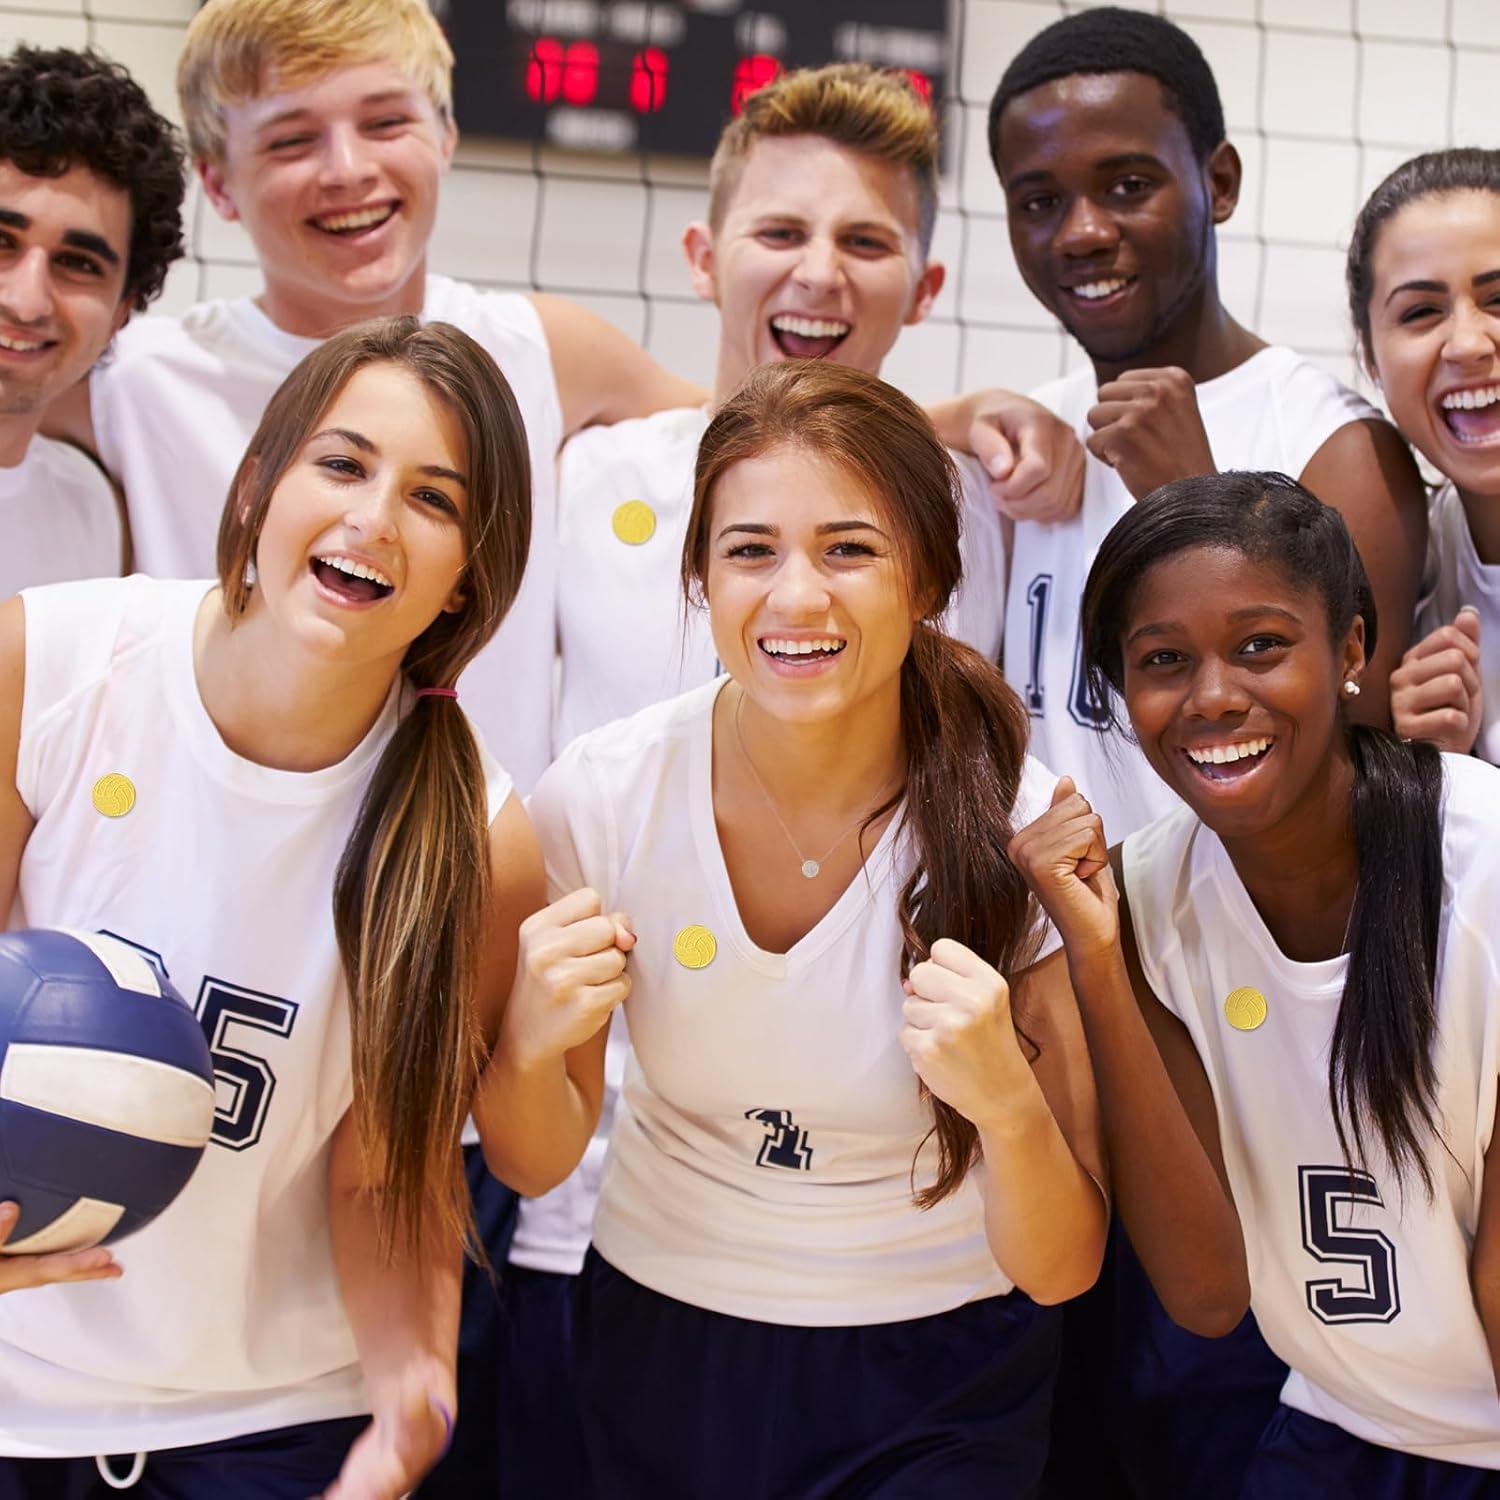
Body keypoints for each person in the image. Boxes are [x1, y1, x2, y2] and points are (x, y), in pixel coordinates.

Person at [481, 360, 1107, 1499]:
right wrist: (526, 1043)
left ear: (927, 582)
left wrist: (1007, 1105)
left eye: (849, 549)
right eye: (751, 550)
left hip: (941, 1367)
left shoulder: (1019, 826)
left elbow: (1062, 1269)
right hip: (662, 1336)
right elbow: (533, 1159)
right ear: (700, 580)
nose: (796, 596)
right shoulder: (605, 797)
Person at [0, 317, 543, 1500]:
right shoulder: (49, 662)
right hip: (16, 1403)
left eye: (434, 499)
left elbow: (385, 1175)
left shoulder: (479, 840)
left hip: (277, 1428)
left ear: (468, 578)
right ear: (257, 488)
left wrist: (411, 1403)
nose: (373, 519)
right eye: (342, 465)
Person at [47, 0, 702, 794]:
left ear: (446, 134)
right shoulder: (134, 376)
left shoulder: (545, 349)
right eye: (292, 139)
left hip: (471, 861)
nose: (348, 169)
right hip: (217, 841)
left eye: (386, 123)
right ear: (217, 184)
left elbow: (795, 430)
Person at [1013, 468, 1500, 1495]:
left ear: (1355, 648)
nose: (1214, 696)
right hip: (1334, 1425)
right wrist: (1100, 966)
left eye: (1261, 646)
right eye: (1162, 661)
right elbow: (1204, 1297)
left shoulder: (1484, 864)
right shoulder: (1143, 896)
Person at [986, 5, 1426, 842]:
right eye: (1039, 199)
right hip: (1048, 951)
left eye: (1127, 185)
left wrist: (1191, 499)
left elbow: (1355, 796)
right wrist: (973, 412)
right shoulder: (1029, 435)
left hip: (1235, 959)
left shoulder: (1338, 445)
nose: (1081, 231)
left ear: (1217, 183)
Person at [553, 62, 1081, 750]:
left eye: (865, 242)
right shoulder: (584, 477)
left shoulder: (987, 505)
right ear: (704, 259)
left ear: (925, 289)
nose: (819, 275)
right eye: (780, 234)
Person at [0, 46, 184, 590]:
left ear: (121, 313)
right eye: (1, 242)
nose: (26, 301)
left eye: (77, 264)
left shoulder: (89, 507)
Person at [1347, 148, 1499, 764]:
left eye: (1498, 300)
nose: (1466, 343)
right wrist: (1433, 771)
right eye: (1420, 312)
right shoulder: (1409, 562)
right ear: (1371, 361)